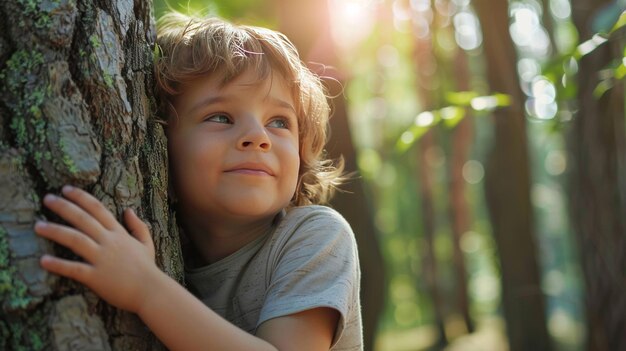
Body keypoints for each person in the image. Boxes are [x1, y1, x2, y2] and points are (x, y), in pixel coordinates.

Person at [34, 11, 363, 351]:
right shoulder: (169, 248)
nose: (257, 136)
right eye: (220, 117)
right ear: (161, 146)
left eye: (279, 121)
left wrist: (145, 288)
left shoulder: (316, 237)